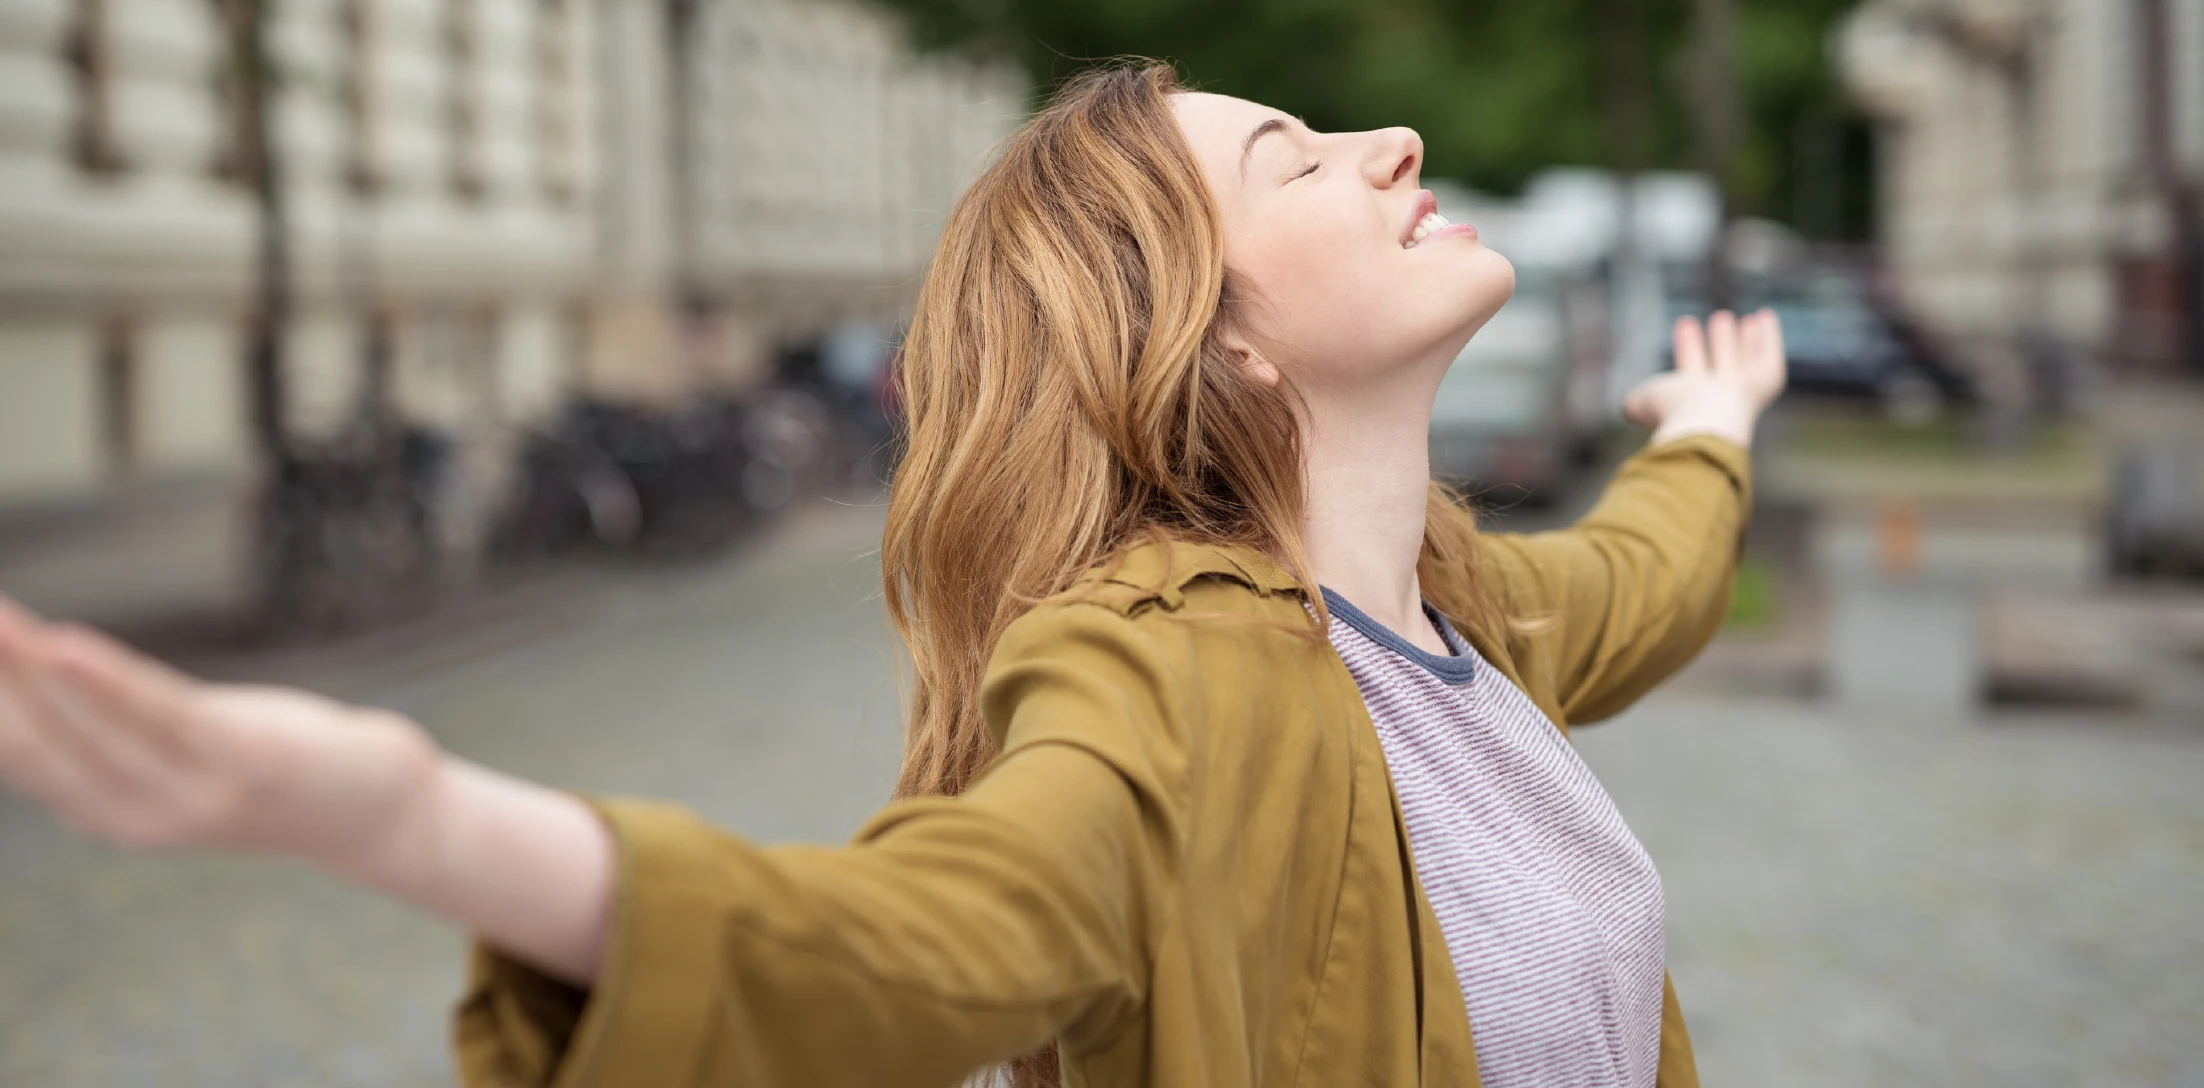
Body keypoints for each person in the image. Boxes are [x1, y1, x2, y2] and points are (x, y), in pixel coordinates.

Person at [0, 63, 1783, 1088]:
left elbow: (1645, 572)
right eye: (1297, 160)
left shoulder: (1460, 611)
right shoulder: (1173, 673)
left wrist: (1707, 421)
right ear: (1220, 341)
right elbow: (923, 938)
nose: (1391, 143)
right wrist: (412, 817)